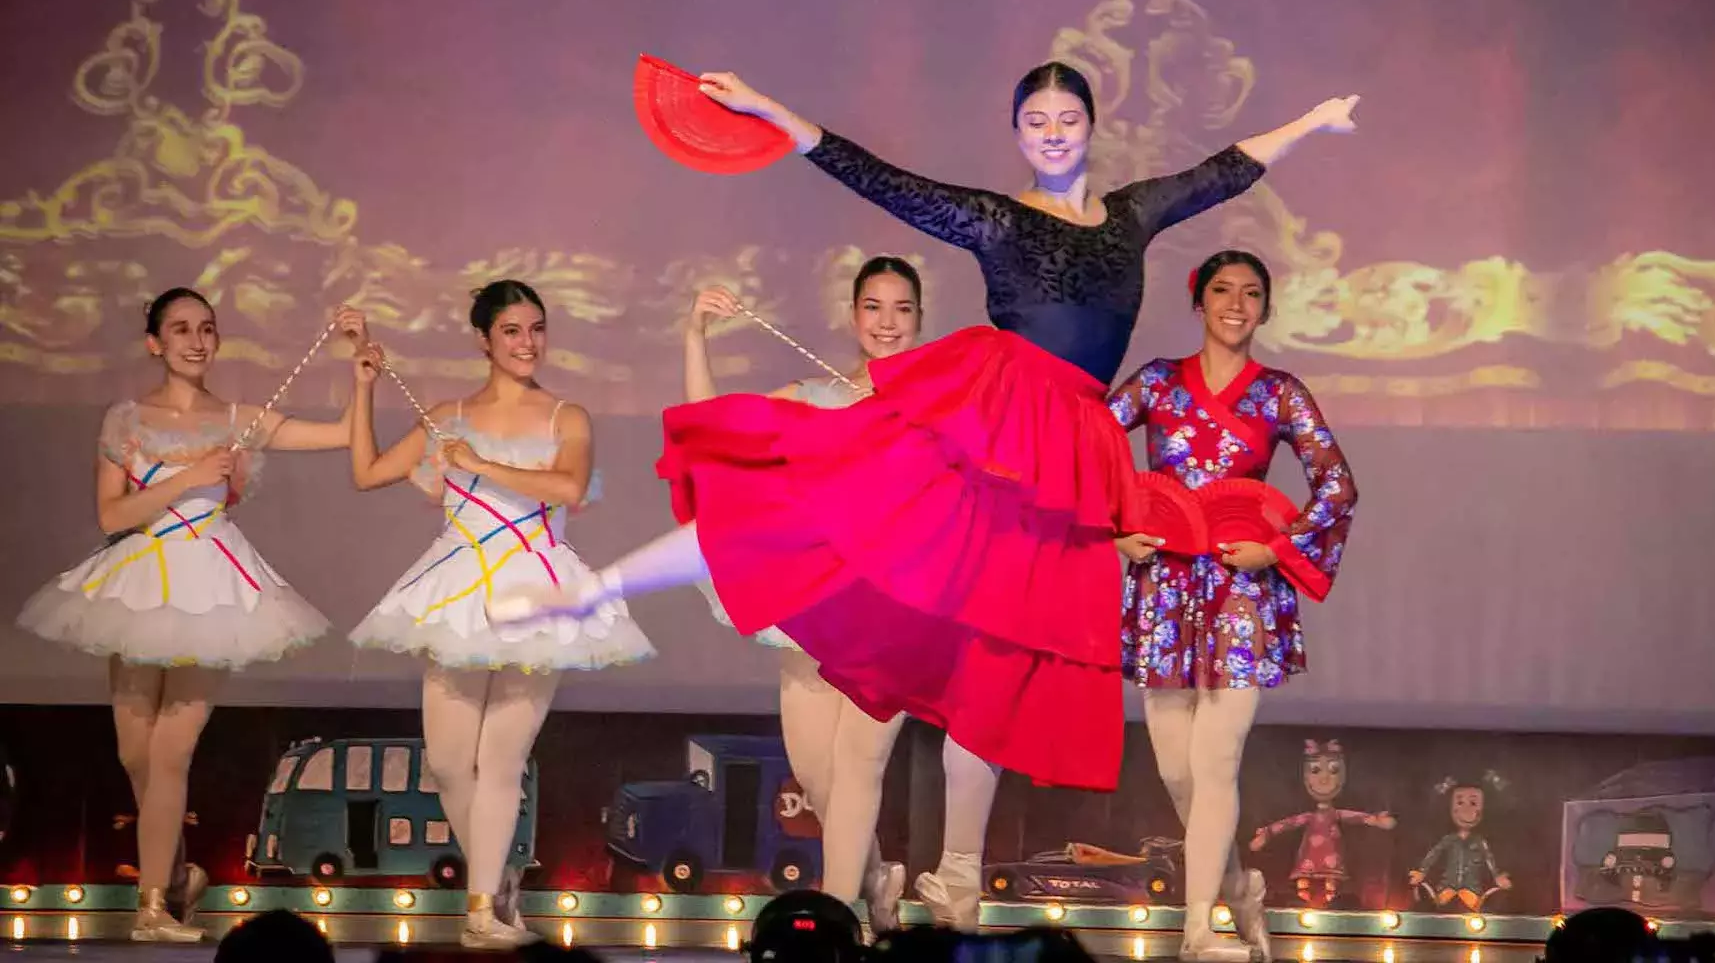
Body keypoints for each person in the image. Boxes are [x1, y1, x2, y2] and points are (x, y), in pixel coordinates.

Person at [491, 61, 1357, 801]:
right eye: (1035, 122)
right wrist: (771, 112)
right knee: (812, 507)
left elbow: (1225, 170)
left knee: (1008, 625)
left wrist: (1314, 123)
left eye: (1066, 119)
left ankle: (959, 865)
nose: (1053, 134)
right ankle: (595, 588)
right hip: (999, 411)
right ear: (1018, 134)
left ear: (1092, 125)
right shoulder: (994, 218)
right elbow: (879, 178)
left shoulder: (1134, 213)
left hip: (1071, 443)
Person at [17, 288, 361, 942]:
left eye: (207, 328)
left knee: (171, 754)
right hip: (139, 581)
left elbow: (345, 435)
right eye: (180, 329)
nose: (197, 340)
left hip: (210, 586)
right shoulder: (126, 419)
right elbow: (112, 516)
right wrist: (189, 473)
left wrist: (356, 370)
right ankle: (178, 879)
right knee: (135, 753)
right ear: (155, 343)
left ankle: (152, 909)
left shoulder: (238, 418)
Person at [685, 259, 999, 930]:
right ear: (853, 316)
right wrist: (696, 338)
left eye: (902, 309)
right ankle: (875, 877)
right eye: (874, 308)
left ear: (919, 318)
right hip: (814, 604)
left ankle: (836, 920)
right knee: (817, 776)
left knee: (859, 767)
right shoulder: (814, 397)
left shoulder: (945, 407)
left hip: (895, 610)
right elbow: (714, 435)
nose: (887, 323)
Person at [346, 280, 654, 949]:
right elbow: (368, 472)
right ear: (484, 339)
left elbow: (567, 486)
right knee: (451, 763)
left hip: (536, 590)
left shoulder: (565, 415)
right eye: (512, 330)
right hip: (458, 592)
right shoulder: (445, 414)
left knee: (501, 758)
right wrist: (365, 384)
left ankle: (480, 909)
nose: (527, 342)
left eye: (536, 328)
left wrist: (480, 462)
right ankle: (500, 874)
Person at [1108, 250, 1357, 962]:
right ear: (1199, 301)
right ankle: (1241, 886)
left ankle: (1197, 931)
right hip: (1165, 587)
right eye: (1223, 290)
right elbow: (1085, 445)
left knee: (1215, 766)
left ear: (1267, 308)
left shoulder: (1280, 393)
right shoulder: (1157, 381)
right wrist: (1115, 530)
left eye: (1253, 293)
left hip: (1242, 590)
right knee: (1177, 771)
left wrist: (1277, 551)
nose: (1237, 304)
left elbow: (1337, 485)